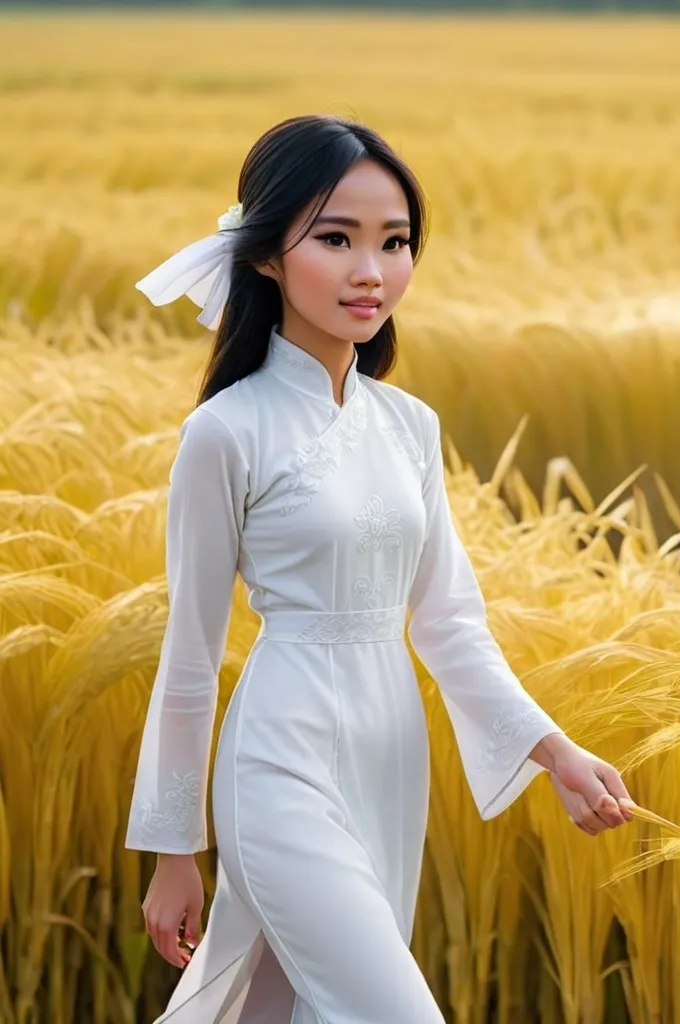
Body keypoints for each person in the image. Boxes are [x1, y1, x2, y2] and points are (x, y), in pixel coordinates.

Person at [125, 113, 635, 1023]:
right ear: (267, 254)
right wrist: (173, 849)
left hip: (390, 756)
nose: (372, 271)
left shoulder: (410, 427)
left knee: (276, 1009)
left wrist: (555, 751)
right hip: (278, 758)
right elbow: (191, 653)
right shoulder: (226, 432)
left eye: (395, 242)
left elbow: (448, 623)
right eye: (336, 238)